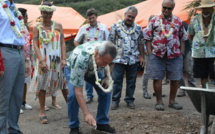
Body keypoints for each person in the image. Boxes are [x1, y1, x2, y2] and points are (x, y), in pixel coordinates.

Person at [65, 41, 117, 134]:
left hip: (93, 70)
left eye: (107, 63)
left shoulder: (108, 52)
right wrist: (87, 114)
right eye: (104, 62)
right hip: (73, 69)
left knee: (106, 91)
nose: (106, 65)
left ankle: (102, 123)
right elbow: (79, 92)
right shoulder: (81, 59)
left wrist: (106, 77)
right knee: (73, 96)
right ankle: (74, 127)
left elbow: (112, 62)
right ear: (97, 53)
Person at [144, 0, 188, 111]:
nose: (166, 10)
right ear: (161, 6)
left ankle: (172, 101)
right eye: (164, 7)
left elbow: (183, 38)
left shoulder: (178, 21)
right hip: (157, 54)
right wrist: (150, 53)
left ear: (173, 9)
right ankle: (159, 102)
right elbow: (147, 38)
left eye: (169, 8)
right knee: (157, 78)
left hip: (175, 55)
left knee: (175, 78)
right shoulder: (154, 20)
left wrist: (181, 52)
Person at [32, 0, 66, 124]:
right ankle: (42, 111)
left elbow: (62, 42)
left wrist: (63, 58)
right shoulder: (37, 27)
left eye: (50, 13)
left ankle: (73, 110)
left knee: (63, 84)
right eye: (45, 13)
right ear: (41, 12)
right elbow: (35, 44)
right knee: (42, 85)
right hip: (43, 60)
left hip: (56, 59)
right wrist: (41, 60)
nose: (47, 16)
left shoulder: (58, 26)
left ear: (52, 13)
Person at [109, 6, 144, 110]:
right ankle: (115, 101)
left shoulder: (138, 28)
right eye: (129, 16)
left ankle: (129, 100)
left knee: (131, 81)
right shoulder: (115, 26)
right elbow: (110, 42)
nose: (130, 19)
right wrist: (110, 58)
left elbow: (141, 43)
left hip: (133, 59)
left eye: (132, 17)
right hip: (118, 59)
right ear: (125, 14)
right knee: (117, 81)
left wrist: (141, 56)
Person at [74, 8, 109, 104]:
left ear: (96, 17)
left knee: (100, 74)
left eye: (93, 18)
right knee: (88, 75)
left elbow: (107, 41)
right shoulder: (83, 28)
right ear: (87, 19)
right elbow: (76, 40)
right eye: (90, 18)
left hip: (100, 56)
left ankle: (102, 93)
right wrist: (81, 50)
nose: (92, 20)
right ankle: (89, 96)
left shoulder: (103, 28)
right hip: (87, 56)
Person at [0, 0, 25, 133]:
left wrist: (26, 58)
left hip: (19, 51)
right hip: (5, 51)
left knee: (17, 95)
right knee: (4, 95)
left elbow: (22, 34)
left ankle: (13, 128)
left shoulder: (15, 9)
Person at [188, 0, 215, 89]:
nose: (206, 11)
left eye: (208, 8)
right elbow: (190, 35)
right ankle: (205, 96)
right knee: (203, 76)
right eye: (204, 9)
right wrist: (195, 46)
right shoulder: (194, 20)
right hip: (199, 53)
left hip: (213, 53)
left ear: (212, 8)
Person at [18, 8, 33, 114]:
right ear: (23, 17)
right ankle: (16, 103)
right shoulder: (16, 26)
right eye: (26, 16)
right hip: (19, 55)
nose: (27, 18)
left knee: (24, 81)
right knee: (18, 81)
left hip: (27, 57)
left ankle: (23, 101)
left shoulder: (26, 28)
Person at [177, 21, 196, 97]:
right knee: (177, 71)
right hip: (176, 52)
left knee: (189, 70)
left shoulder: (183, 24)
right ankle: (181, 88)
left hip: (187, 50)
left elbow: (190, 36)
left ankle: (192, 89)